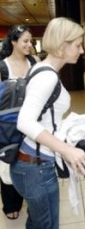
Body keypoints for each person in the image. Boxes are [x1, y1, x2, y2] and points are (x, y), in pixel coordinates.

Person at [10, 17, 85, 229]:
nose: (81, 50)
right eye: (77, 45)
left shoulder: (41, 68)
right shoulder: (46, 76)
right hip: (35, 168)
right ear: (61, 46)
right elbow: (25, 122)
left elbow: (44, 116)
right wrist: (67, 150)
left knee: (38, 222)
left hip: (32, 163)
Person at [0, 24, 40, 220]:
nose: (29, 45)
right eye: (25, 41)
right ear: (14, 42)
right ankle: (11, 203)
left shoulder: (35, 61)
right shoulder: (2, 66)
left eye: (31, 41)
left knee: (32, 162)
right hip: (8, 124)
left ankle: (33, 201)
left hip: (33, 121)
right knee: (9, 162)